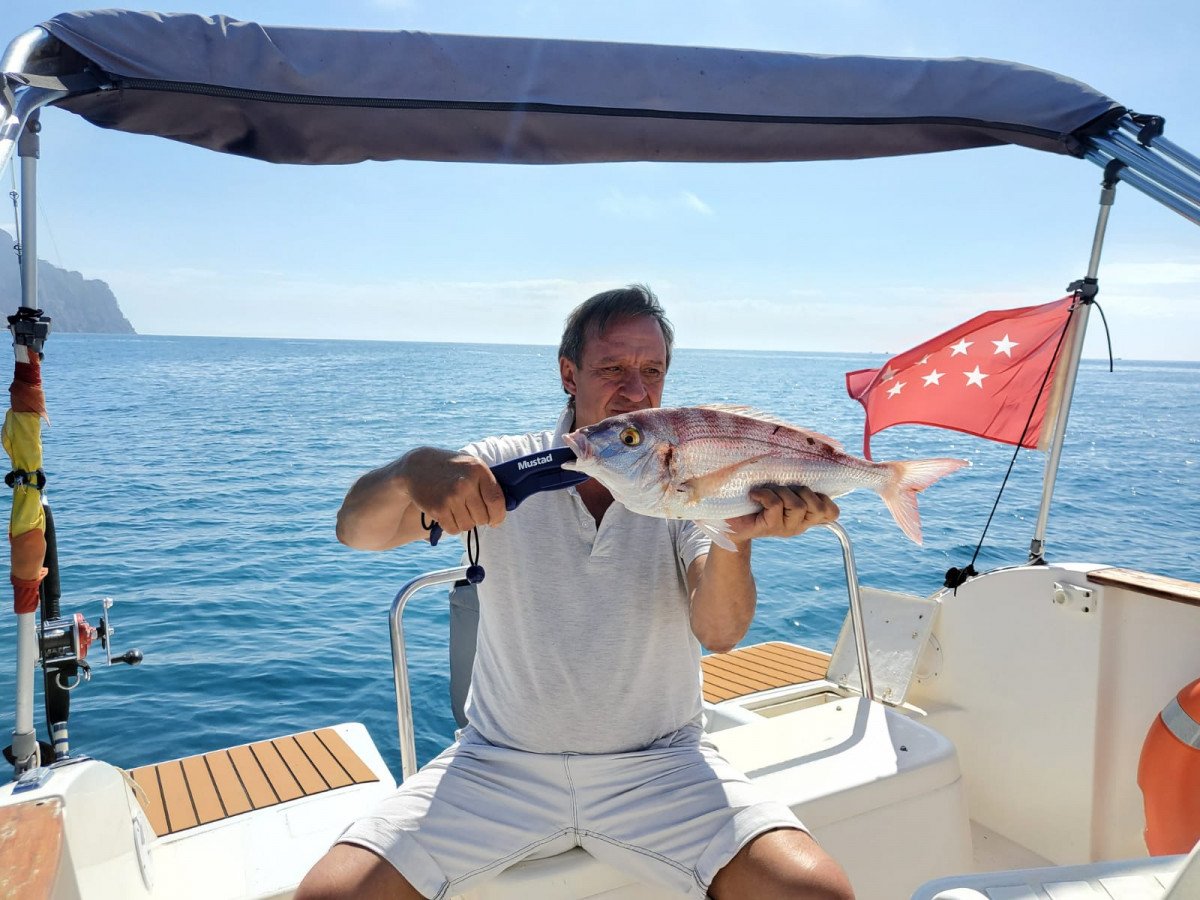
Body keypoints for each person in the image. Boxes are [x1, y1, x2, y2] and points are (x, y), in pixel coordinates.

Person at [298, 286, 854, 900]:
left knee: (816, 893)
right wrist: (411, 472)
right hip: (499, 764)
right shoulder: (499, 467)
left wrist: (738, 533)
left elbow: (720, 632)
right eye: (613, 368)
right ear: (568, 372)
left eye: (652, 371)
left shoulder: (689, 479)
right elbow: (356, 532)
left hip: (660, 765)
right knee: (331, 897)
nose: (637, 390)